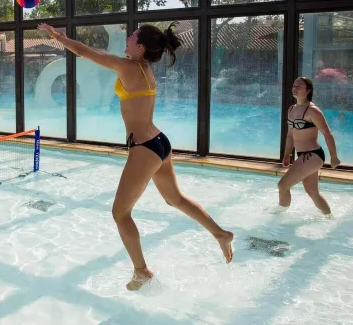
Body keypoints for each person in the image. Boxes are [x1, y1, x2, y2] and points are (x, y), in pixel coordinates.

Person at [37, 22, 233, 291]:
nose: (127, 39)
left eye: (132, 36)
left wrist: (59, 37)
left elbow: (85, 51)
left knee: (120, 213)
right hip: (159, 142)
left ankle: (142, 271)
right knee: (174, 198)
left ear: (140, 46)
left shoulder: (129, 67)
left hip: (145, 147)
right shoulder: (144, 68)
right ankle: (220, 233)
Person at [278, 77, 340, 214]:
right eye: (294, 85)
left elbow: (328, 134)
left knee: (283, 185)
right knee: (312, 192)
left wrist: (334, 157)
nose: (295, 88)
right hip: (302, 155)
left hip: (312, 155)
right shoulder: (292, 109)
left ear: (308, 90)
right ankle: (328, 217)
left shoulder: (313, 111)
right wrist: (287, 154)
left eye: (299, 86)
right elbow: (290, 135)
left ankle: (277, 217)